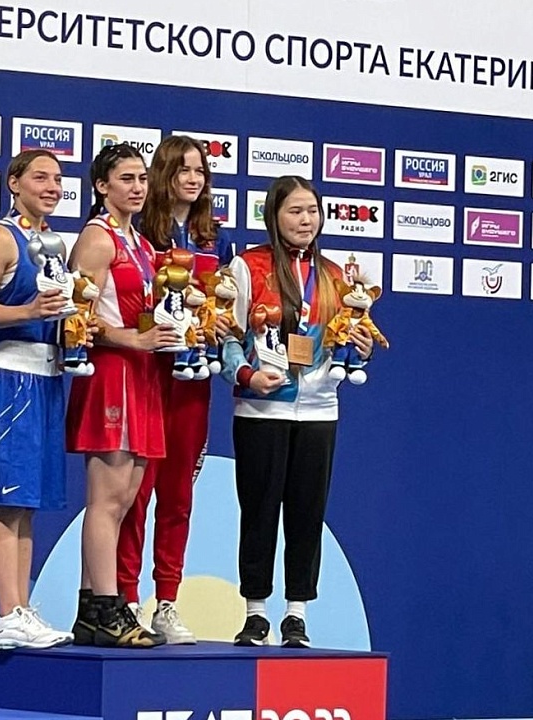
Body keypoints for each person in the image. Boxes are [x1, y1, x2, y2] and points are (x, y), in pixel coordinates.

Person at [221, 176, 375, 648]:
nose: (306, 220)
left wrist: (362, 349)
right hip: (261, 409)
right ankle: (255, 612)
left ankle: (297, 614)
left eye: (312, 211)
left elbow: (351, 335)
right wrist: (245, 375)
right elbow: (227, 335)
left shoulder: (335, 276)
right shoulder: (248, 267)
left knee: (308, 514)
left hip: (319, 409)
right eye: (295, 211)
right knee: (259, 512)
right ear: (274, 215)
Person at [117, 135, 235, 643]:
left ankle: (167, 601)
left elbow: (226, 306)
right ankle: (124, 599)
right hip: (148, 374)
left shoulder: (216, 239)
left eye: (200, 171)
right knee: (135, 492)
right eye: (183, 169)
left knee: (178, 495)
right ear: (163, 174)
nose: (193, 179)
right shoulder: (139, 232)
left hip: (194, 381)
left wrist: (221, 322)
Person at [0, 149, 76, 650]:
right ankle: (5, 613)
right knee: (7, 502)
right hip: (12, 379)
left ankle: (21, 609)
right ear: (14, 183)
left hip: (48, 378)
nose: (52, 187)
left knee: (27, 505)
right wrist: (28, 310)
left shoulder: (53, 243)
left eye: (58, 179)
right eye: (40, 177)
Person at [66, 143, 179, 648]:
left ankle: (91, 609)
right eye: (126, 179)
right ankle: (110, 609)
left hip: (144, 374)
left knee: (125, 499)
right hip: (112, 374)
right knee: (106, 500)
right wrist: (129, 338)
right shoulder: (98, 238)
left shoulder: (141, 242)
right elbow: (77, 317)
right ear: (101, 186)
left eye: (142, 179)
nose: (137, 187)